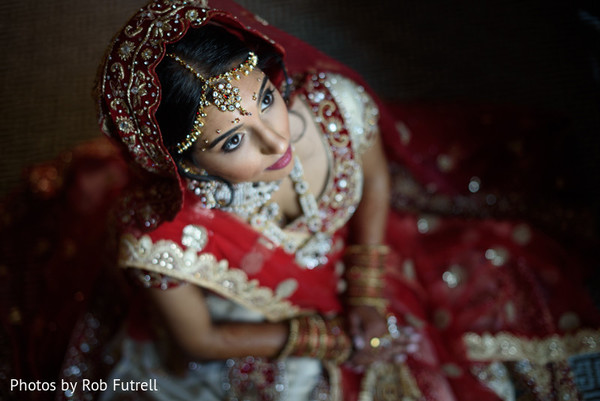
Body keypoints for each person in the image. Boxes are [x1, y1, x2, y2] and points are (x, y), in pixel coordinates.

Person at [2, 0, 599, 400]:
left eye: (265, 98)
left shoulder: (333, 104)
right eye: (233, 140)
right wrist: (333, 339)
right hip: (258, 324)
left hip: (353, 266)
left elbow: (378, 185)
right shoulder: (163, 239)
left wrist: (364, 286)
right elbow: (198, 341)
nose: (277, 137)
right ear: (178, 164)